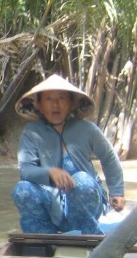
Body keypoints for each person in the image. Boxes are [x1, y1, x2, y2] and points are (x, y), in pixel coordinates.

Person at [12, 74, 125, 235]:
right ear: (39, 104)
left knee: (82, 181)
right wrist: (50, 173)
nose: (55, 104)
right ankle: (40, 239)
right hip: (51, 203)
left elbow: (109, 158)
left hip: (85, 199)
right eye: (49, 99)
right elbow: (26, 170)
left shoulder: (87, 129)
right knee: (22, 189)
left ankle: (88, 236)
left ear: (72, 103)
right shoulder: (31, 133)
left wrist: (117, 191)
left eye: (62, 99)